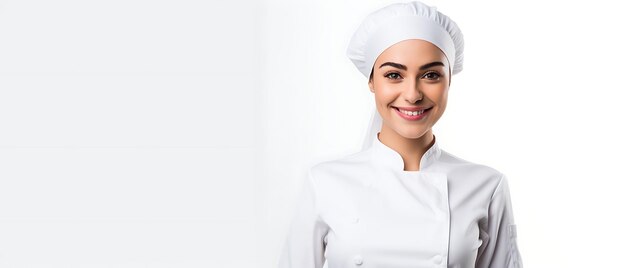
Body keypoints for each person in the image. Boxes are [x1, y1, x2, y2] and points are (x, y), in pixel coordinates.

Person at [277, 1, 523, 267]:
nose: (412, 94)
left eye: (430, 75)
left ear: (449, 80)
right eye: (394, 75)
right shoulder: (325, 182)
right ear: (371, 81)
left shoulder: (487, 186)